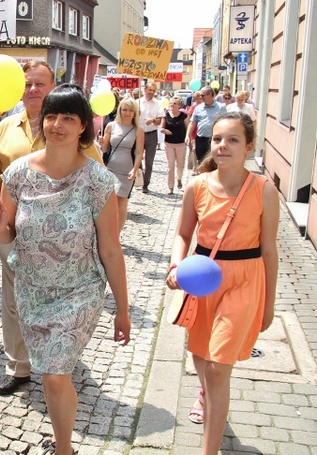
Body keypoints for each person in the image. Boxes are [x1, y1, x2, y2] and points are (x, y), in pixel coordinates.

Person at [0, 85, 131, 455]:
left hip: (79, 292)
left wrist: (124, 310)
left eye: (69, 118)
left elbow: (111, 250)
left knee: (54, 374)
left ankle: (64, 447)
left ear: (84, 126)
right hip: (31, 290)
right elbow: (8, 236)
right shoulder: (17, 173)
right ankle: (61, 436)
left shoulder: (98, 182)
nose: (58, 125)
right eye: (51, 116)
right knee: (49, 372)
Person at [166, 112, 278, 455]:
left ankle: (208, 450)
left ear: (248, 147)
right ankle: (205, 393)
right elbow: (183, 234)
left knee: (218, 367)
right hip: (201, 280)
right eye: (217, 139)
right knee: (201, 356)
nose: (223, 146)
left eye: (232, 140)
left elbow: (270, 251)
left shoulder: (264, 189)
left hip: (244, 280)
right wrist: (176, 264)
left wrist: (268, 304)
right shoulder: (197, 186)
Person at [0, 60, 55, 396]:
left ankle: (57, 360)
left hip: (57, 237)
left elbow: (94, 181)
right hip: (11, 230)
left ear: (52, 87)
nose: (32, 90)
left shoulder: (69, 127)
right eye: (27, 84)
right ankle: (18, 366)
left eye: (40, 84)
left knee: (53, 301)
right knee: (12, 302)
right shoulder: (6, 127)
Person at [99, 97, 144, 232]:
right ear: (120, 110)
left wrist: (134, 169)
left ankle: (116, 235)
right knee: (108, 202)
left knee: (121, 203)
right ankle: (107, 231)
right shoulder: (111, 126)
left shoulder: (138, 130)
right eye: (124, 109)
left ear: (135, 113)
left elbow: (139, 152)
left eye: (131, 110)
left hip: (127, 170)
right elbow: (105, 149)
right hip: (111, 168)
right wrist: (102, 143)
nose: (127, 113)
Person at [188, 87, 227, 162]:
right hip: (201, 138)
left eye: (202, 95)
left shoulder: (221, 107)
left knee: (214, 161)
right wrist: (187, 135)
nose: (200, 97)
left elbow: (225, 123)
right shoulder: (198, 108)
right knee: (201, 160)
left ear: (210, 95)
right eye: (200, 95)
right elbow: (192, 123)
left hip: (214, 139)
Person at [139, 83, 164, 193]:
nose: (152, 92)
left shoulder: (157, 104)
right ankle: (140, 178)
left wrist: (153, 120)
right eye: (150, 90)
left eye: (153, 90)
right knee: (137, 158)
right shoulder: (137, 102)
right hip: (139, 134)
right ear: (145, 90)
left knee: (149, 161)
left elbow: (159, 121)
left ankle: (146, 183)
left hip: (151, 134)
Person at [161, 96, 188, 194]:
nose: (172, 105)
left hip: (181, 143)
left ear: (179, 106)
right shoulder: (166, 115)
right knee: (170, 165)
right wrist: (165, 131)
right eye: (171, 103)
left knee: (180, 165)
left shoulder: (184, 116)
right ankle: (170, 187)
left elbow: (188, 127)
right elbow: (161, 128)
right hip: (169, 144)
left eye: (175, 103)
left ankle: (179, 179)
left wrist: (188, 138)